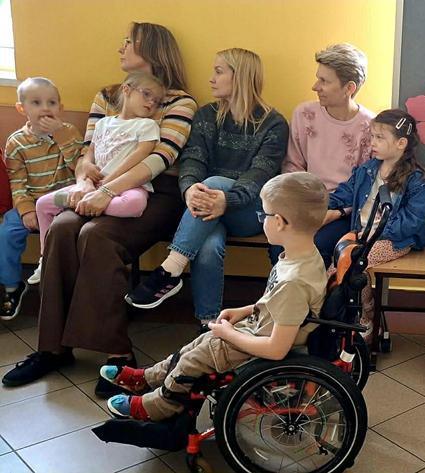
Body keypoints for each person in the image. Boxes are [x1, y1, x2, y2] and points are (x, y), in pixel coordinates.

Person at [2, 23, 197, 397]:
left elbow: (158, 158)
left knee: (96, 235)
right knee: (62, 228)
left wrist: (106, 191)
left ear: (151, 49)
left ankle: (118, 355)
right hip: (97, 185)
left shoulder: (178, 102)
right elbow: (86, 152)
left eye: (129, 42)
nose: (121, 47)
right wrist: (84, 182)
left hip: (152, 193)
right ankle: (52, 349)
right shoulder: (107, 96)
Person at [102, 172, 328, 421]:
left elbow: (276, 349)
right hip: (258, 327)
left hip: (261, 343)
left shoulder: (294, 282)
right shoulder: (302, 258)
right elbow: (277, 304)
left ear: (281, 222)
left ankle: (159, 405)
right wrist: (243, 311)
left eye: (263, 215)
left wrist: (229, 334)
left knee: (195, 359)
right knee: (198, 344)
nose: (261, 220)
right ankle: (148, 377)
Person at [126, 48, 288, 323]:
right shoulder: (206, 115)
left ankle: (171, 269)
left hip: (249, 210)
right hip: (205, 211)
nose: (211, 78)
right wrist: (189, 189)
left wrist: (227, 199)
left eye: (219, 71)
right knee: (208, 245)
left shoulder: (273, 124)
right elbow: (193, 160)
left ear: (240, 76)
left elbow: (259, 175)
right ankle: (209, 324)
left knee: (213, 182)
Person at [37, 72, 164, 257]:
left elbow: (140, 155)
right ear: (126, 90)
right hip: (93, 187)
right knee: (42, 204)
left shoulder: (147, 125)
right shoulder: (103, 123)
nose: (151, 102)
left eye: (157, 102)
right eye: (146, 94)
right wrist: (88, 168)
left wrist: (109, 182)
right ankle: (44, 257)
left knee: (135, 205)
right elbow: (90, 153)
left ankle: (83, 205)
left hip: (127, 187)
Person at [327, 109, 425, 333]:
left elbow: (412, 220)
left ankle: (365, 317)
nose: (372, 142)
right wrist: (318, 206)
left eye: (379, 138)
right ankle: (346, 317)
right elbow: (343, 194)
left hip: (394, 240)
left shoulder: (417, 180)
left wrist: (375, 236)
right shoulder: (367, 170)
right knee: (335, 270)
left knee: (355, 263)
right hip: (360, 235)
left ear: (401, 143)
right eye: (372, 136)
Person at [274, 43, 374, 267]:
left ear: (349, 88)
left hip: (344, 211)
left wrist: (334, 212)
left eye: (324, 81)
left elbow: (364, 185)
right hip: (303, 203)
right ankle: (287, 291)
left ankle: (317, 292)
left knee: (318, 246)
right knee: (279, 245)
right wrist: (299, 207)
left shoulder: (370, 126)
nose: (315, 86)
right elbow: (292, 166)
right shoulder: (304, 114)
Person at [1, 78, 84, 320]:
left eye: (52, 103)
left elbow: (79, 166)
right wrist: (26, 210)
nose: (46, 108)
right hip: (30, 202)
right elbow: (17, 181)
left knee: (68, 232)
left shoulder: (68, 132)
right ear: (22, 108)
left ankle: (67, 288)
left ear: (61, 108)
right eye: (36, 103)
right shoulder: (16, 142)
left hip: (63, 202)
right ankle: (12, 286)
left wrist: (60, 135)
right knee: (6, 233)